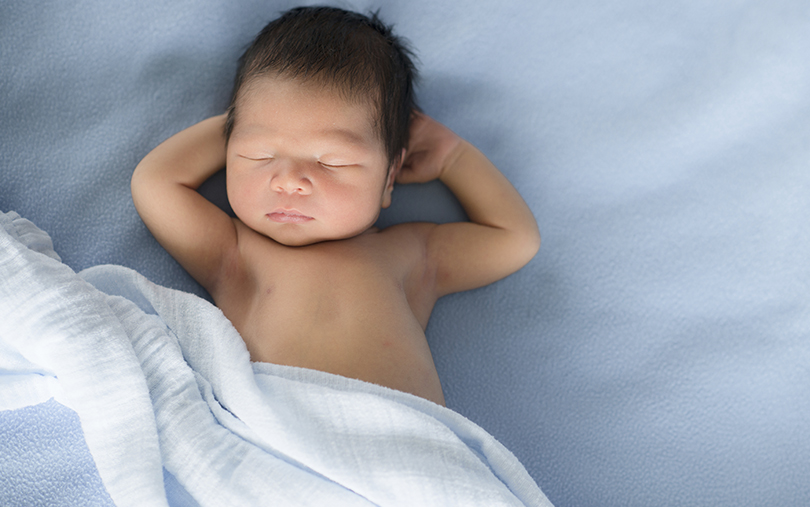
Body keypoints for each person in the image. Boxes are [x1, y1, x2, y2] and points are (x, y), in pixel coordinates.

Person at [131, 6, 539, 406]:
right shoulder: (233, 255)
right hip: (282, 448)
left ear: (389, 178)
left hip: (407, 451)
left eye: (332, 161)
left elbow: (515, 240)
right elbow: (155, 183)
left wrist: (453, 158)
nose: (288, 181)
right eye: (258, 156)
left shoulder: (412, 255)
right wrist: (236, 122)